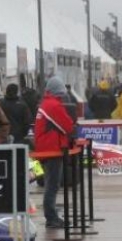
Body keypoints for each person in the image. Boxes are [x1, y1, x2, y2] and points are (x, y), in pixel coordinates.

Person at [34, 76, 75, 228]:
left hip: (46, 148)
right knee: (52, 185)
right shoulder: (54, 106)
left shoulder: (45, 104)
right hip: (52, 149)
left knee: (51, 184)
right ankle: (51, 217)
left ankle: (51, 216)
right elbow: (67, 126)